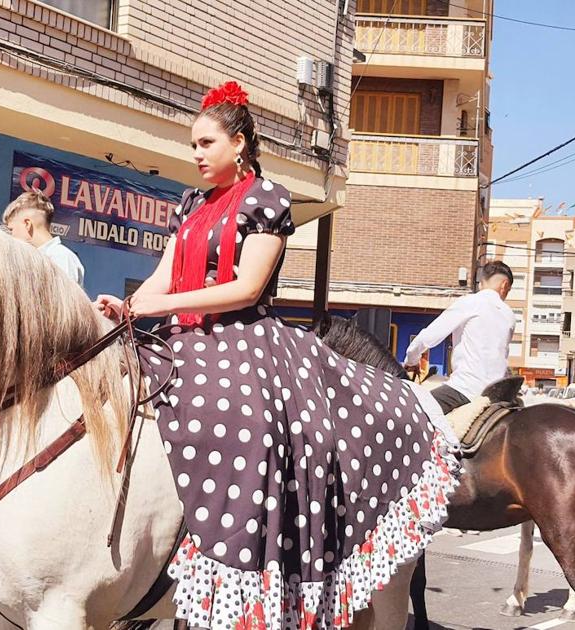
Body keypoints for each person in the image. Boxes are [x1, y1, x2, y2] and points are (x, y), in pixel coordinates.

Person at [94, 81, 460, 629]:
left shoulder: (267, 198)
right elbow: (162, 276)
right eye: (193, 145)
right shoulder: (191, 204)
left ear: (238, 143)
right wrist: (127, 307)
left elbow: (246, 288)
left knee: (253, 428)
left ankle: (256, 563)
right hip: (179, 335)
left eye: (206, 143)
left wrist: (162, 305)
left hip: (243, 340)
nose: (196, 155)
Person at [401, 260, 515, 414]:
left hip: (465, 389)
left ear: (481, 283)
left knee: (412, 411)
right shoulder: (509, 315)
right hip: (498, 394)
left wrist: (412, 360)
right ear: (504, 285)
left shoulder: (470, 302)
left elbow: (428, 336)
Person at [3, 191, 85, 287]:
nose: (11, 236)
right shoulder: (36, 260)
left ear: (27, 224)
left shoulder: (60, 257)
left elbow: (62, 296)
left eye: (11, 230)